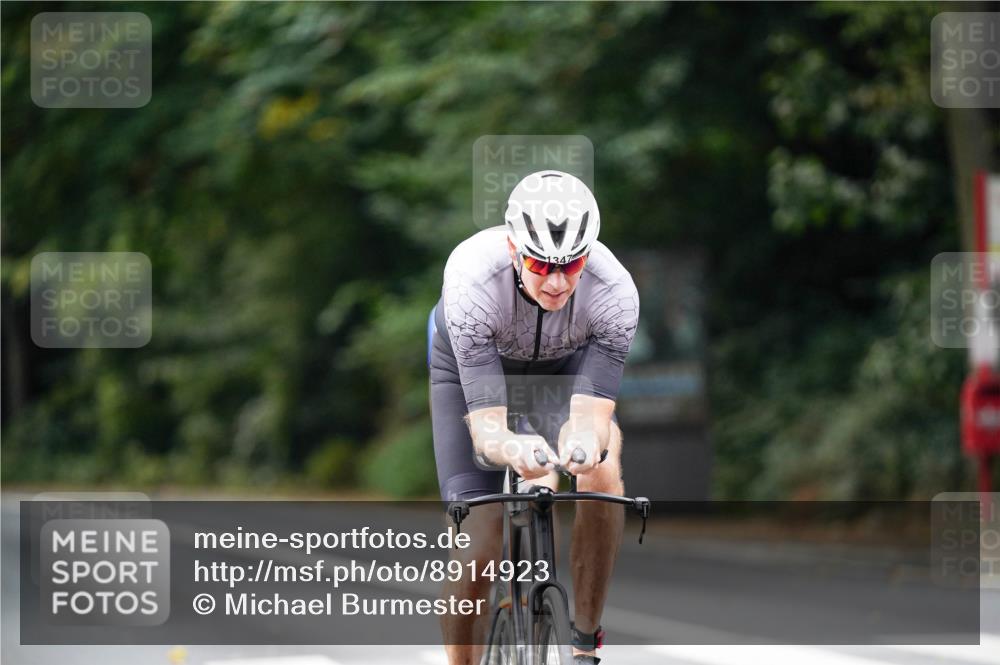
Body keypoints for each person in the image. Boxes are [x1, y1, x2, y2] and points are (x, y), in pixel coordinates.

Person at [428, 170, 639, 665]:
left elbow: (590, 418)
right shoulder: (471, 282)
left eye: (571, 264)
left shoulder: (616, 293)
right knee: (479, 545)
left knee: (602, 471)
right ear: (513, 247)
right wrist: (516, 446)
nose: (558, 281)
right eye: (541, 264)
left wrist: (581, 448)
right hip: (472, 376)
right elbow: (487, 430)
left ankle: (585, 644)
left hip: (562, 370)